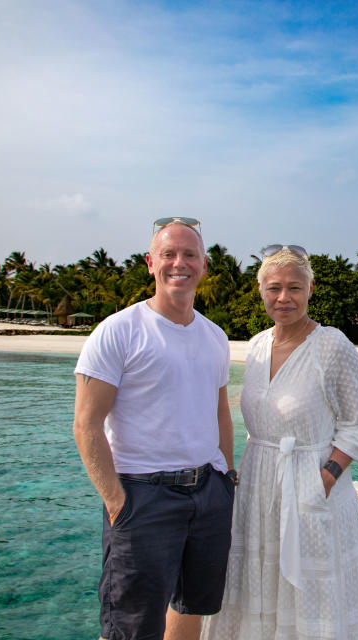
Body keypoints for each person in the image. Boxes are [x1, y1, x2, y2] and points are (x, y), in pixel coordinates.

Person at [202, 245, 358, 639]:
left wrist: (326, 477)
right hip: (257, 488)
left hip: (311, 485)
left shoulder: (332, 346)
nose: (283, 297)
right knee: (259, 585)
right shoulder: (254, 348)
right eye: (274, 288)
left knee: (313, 591)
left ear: (310, 289)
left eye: (294, 288)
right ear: (260, 291)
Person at [73, 217, 237, 640]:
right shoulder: (118, 332)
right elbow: (86, 424)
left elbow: (220, 413)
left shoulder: (215, 337)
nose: (178, 263)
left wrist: (226, 480)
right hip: (142, 495)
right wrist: (116, 502)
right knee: (130, 624)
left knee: (191, 606)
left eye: (189, 255)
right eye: (168, 254)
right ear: (150, 263)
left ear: (203, 265)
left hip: (208, 492)